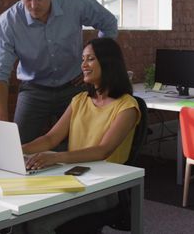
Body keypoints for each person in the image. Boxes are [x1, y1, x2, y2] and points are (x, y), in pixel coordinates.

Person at [16, 37, 140, 234]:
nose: (83, 65)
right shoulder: (80, 100)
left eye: (90, 59)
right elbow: (51, 138)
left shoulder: (127, 106)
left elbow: (103, 150)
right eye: (83, 59)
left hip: (103, 189)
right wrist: (16, 150)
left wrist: (55, 157)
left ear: (107, 63)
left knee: (37, 224)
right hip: (72, 179)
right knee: (19, 217)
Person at [0, 0, 118, 144]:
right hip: (34, 89)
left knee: (82, 144)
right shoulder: (9, 22)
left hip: (74, 86)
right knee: (15, 146)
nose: (33, 6)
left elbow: (109, 23)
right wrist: (1, 126)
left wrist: (94, 64)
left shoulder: (75, 4)